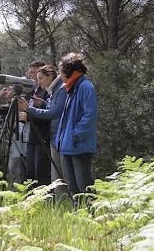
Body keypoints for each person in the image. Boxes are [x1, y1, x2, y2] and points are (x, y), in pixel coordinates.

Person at [18, 65, 67, 201]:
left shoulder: (61, 89)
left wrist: (30, 110)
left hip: (53, 138)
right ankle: (52, 204)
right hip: (51, 138)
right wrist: (44, 104)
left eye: (40, 78)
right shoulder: (53, 91)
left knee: (57, 177)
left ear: (50, 76)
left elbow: (54, 113)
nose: (38, 81)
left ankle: (58, 204)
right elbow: (52, 109)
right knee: (43, 175)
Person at [55, 52, 98, 206]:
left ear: (69, 70)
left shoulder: (85, 86)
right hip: (68, 147)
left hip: (79, 146)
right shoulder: (70, 88)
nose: (59, 74)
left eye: (60, 71)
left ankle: (92, 218)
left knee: (85, 187)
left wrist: (74, 135)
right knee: (73, 188)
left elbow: (90, 115)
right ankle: (79, 220)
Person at [20, 60, 51, 188]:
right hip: (30, 138)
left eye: (33, 72)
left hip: (41, 138)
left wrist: (29, 117)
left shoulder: (46, 92)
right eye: (29, 72)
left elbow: (49, 115)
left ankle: (45, 202)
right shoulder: (33, 91)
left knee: (41, 173)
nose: (30, 75)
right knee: (30, 172)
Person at [0, 86, 27, 190]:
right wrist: (0, 95)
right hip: (8, 139)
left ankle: (16, 190)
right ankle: (14, 188)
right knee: (11, 167)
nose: (6, 91)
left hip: (18, 138)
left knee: (14, 167)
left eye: (9, 89)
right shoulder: (7, 105)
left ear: (14, 92)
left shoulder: (20, 102)